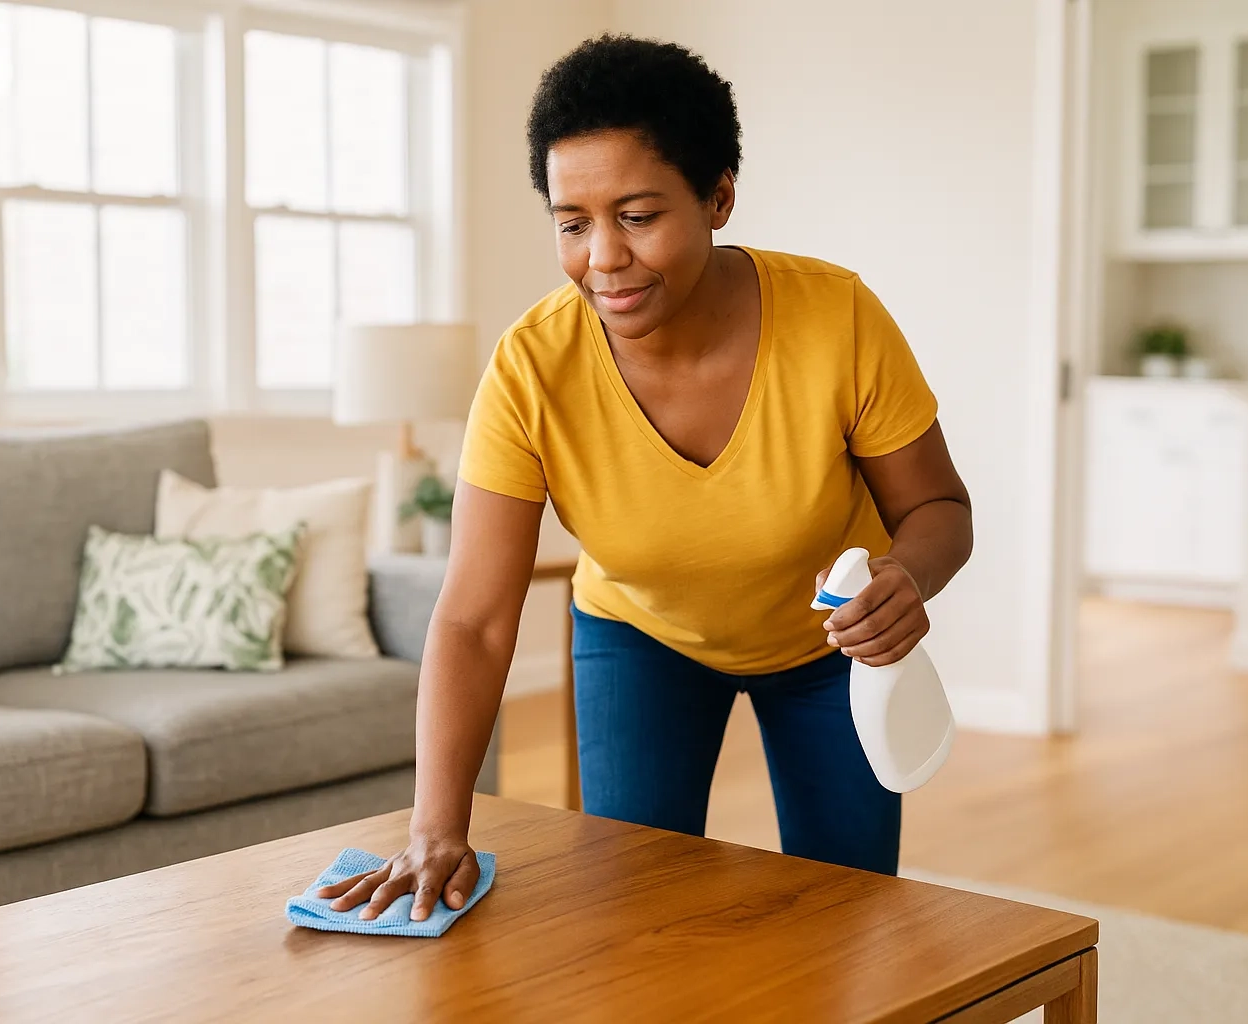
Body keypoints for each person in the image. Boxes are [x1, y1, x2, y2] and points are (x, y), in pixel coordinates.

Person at [320, 34, 973, 922]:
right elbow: (473, 617)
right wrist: (435, 824)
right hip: (641, 639)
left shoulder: (837, 318)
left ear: (718, 197)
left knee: (849, 917)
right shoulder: (531, 368)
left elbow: (938, 506)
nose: (603, 258)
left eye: (636, 215)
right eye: (573, 222)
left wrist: (906, 575)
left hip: (831, 651)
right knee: (633, 914)